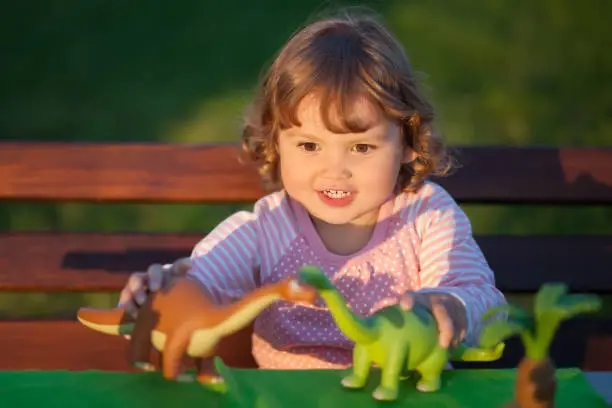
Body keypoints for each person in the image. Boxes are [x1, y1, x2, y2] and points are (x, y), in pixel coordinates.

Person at [117, 9, 507, 370]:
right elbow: (205, 280)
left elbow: (485, 303)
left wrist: (452, 307)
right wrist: (164, 289)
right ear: (277, 142)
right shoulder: (267, 228)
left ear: (407, 141)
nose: (334, 171)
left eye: (361, 147)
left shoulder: (427, 217)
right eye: (309, 146)